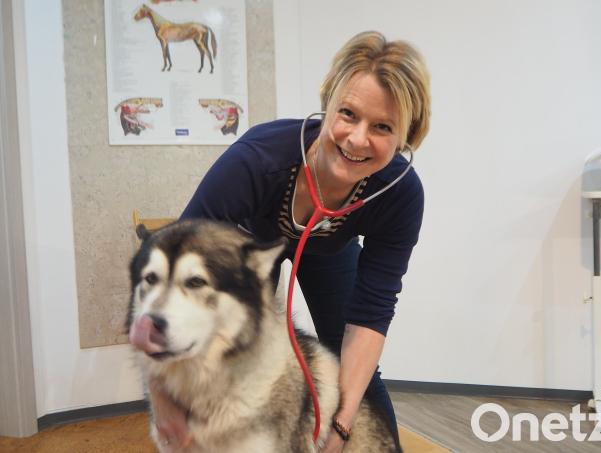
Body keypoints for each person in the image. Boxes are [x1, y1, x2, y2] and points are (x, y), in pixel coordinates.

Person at [151, 30, 430, 452]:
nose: (357, 139)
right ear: (328, 103)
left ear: (406, 136)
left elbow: (371, 313)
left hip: (329, 247)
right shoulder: (255, 161)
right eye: (348, 114)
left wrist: (342, 426)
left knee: (358, 376)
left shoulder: (400, 195)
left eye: (382, 127)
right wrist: (162, 394)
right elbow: (171, 278)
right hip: (249, 246)